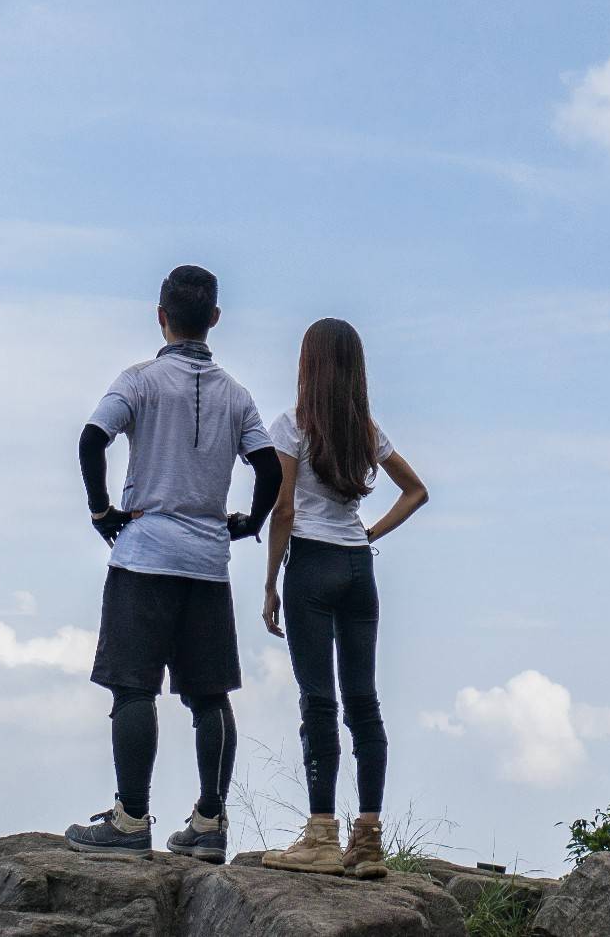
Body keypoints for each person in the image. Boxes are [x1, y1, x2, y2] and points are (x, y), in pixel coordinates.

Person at [66, 264, 284, 861]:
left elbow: (91, 439)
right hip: (207, 563)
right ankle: (209, 824)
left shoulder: (138, 381)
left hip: (144, 555)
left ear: (160, 315)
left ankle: (130, 819)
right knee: (210, 696)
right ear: (214, 319)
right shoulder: (237, 395)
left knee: (133, 689)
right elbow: (268, 467)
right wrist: (250, 522)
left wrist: (100, 511)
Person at [257, 317, 428, 881]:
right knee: (364, 701)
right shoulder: (367, 432)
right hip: (358, 566)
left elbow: (283, 511)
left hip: (310, 563)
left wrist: (270, 580)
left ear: (308, 366)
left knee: (319, 702)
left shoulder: (290, 428)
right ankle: (368, 841)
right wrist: (370, 534)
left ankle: (321, 834)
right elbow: (416, 491)